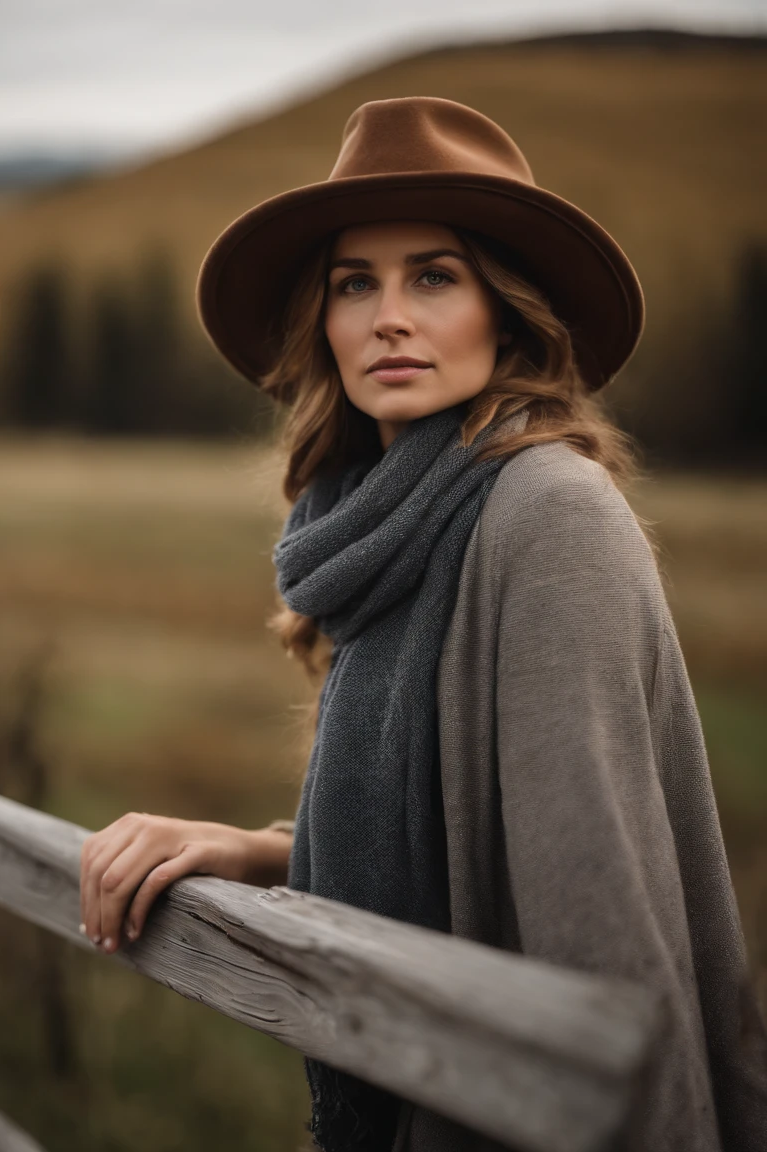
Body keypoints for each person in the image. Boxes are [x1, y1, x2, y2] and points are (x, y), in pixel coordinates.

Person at [78, 97, 767, 1150]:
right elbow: (442, 846)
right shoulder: (389, 520)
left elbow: (604, 961)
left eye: (432, 277)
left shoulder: (547, 515)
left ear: (507, 309)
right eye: (355, 283)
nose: (385, 316)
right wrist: (261, 853)